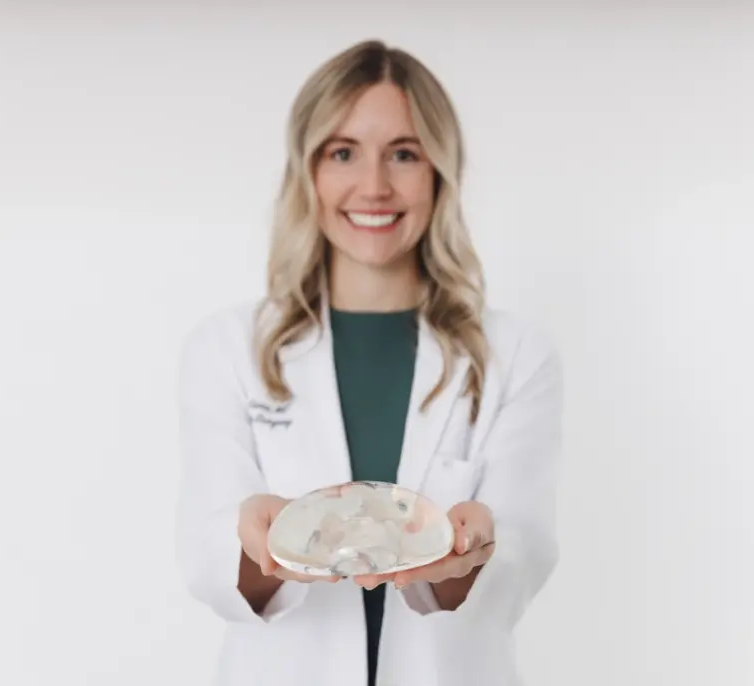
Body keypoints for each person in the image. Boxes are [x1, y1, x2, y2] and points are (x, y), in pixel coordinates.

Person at [175, 39, 563, 686]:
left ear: (439, 172)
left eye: (404, 154)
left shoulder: (515, 356)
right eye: (343, 153)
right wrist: (260, 547)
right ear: (307, 172)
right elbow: (208, 561)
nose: (375, 186)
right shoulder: (228, 349)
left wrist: (469, 554)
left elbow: (522, 559)